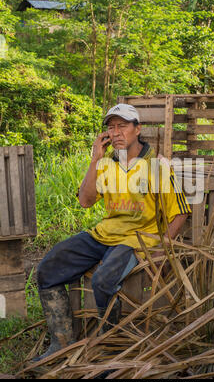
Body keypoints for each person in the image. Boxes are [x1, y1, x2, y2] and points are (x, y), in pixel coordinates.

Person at [35, 103, 191, 361]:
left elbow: (181, 212)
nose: (116, 132)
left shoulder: (157, 166)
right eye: (111, 127)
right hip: (103, 235)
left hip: (136, 239)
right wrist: (95, 158)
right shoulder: (107, 163)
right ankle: (61, 342)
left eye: (122, 126)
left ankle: (112, 352)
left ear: (137, 129)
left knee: (103, 280)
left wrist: (161, 248)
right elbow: (85, 201)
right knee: (46, 270)